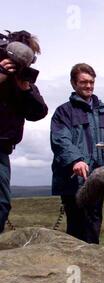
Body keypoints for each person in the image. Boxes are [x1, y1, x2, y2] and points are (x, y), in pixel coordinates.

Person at [50, 63, 104, 244]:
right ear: (73, 83)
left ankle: (91, 269)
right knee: (76, 229)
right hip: (73, 181)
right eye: (83, 82)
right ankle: (75, 270)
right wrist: (76, 161)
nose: (88, 86)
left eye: (91, 82)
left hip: (98, 180)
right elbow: (60, 140)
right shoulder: (64, 112)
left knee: (94, 225)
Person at [0, 30, 48, 234]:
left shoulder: (22, 80)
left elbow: (38, 112)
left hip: (2, 148)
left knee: (2, 204)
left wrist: (26, 89)